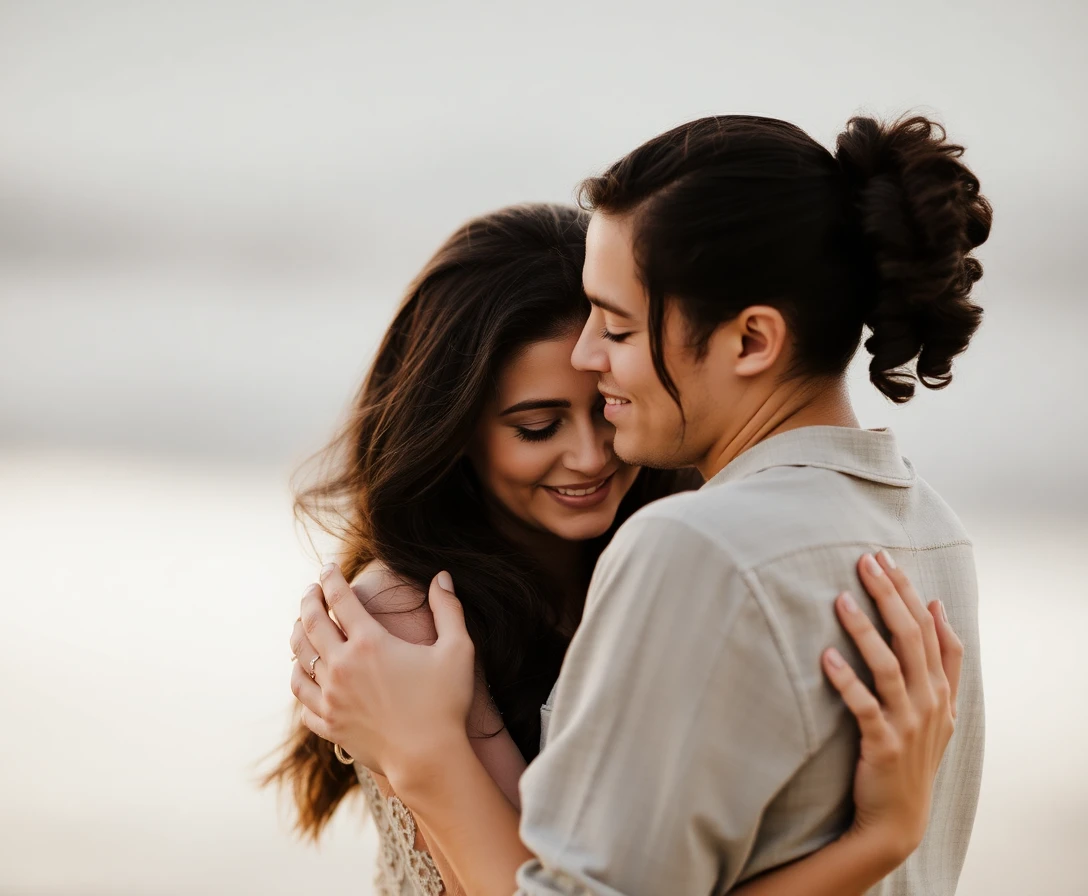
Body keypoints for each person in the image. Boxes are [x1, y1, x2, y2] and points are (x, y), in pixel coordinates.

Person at [287, 114, 989, 895]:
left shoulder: (696, 550)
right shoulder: (938, 539)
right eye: (540, 422)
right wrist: (879, 839)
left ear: (752, 341)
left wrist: (427, 755)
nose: (592, 354)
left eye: (616, 328)